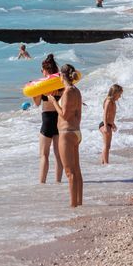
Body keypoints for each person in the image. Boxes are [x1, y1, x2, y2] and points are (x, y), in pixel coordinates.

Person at [54, 63, 83, 208]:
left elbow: (64, 115)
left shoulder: (66, 92)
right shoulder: (77, 91)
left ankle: (73, 207)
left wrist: (54, 101)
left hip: (66, 133)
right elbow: (78, 115)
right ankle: (79, 203)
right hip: (76, 132)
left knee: (69, 172)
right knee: (76, 170)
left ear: (61, 75)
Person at [37, 55, 64, 184]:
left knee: (44, 155)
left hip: (47, 120)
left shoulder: (42, 86)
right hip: (59, 120)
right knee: (58, 155)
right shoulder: (61, 84)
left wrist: (35, 92)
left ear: (45, 70)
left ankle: (42, 183)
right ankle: (58, 182)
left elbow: (37, 103)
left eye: (41, 70)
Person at [99, 84, 122, 164]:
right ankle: (106, 164)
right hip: (104, 124)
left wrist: (113, 124)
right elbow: (105, 114)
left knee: (107, 146)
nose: (120, 96)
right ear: (115, 93)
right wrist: (105, 126)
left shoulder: (113, 102)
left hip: (109, 124)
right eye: (119, 94)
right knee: (106, 145)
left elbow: (110, 115)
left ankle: (103, 163)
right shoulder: (108, 101)